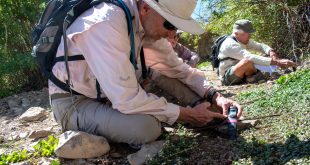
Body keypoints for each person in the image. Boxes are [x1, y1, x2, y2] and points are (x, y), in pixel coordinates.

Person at [50, 0, 243, 148]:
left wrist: (214, 95)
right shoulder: (106, 23)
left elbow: (178, 69)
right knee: (147, 128)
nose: (172, 34)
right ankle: (196, 114)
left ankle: (204, 108)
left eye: (176, 27)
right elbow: (127, 99)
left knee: (161, 72)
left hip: (111, 96)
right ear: (145, 8)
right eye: (169, 24)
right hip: (75, 102)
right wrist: (185, 115)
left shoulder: (145, 25)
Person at [218, 19, 296, 86]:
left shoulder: (242, 40)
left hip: (241, 73)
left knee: (261, 58)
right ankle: (256, 77)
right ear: (236, 34)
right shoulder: (229, 44)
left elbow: (260, 46)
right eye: (247, 34)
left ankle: (252, 78)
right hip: (227, 78)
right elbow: (249, 57)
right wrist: (278, 62)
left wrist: (271, 51)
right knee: (247, 61)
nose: (250, 36)